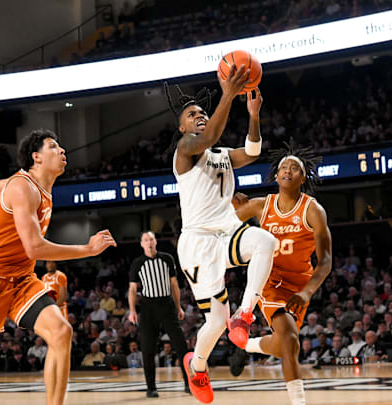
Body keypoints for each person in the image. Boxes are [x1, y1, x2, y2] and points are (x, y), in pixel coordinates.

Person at [0, 130, 117, 405]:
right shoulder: (21, 186)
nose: (62, 150)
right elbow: (35, 248)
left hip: (21, 282)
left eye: (61, 146)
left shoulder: (41, 188)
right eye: (53, 146)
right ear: (36, 157)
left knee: (61, 332)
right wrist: (86, 250)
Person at [165, 65, 278, 404]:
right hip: (198, 242)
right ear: (182, 126)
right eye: (192, 114)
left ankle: (245, 314)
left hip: (227, 230)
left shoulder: (221, 155)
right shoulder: (184, 151)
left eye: (201, 112)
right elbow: (209, 137)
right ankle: (196, 365)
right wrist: (228, 93)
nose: (199, 116)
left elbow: (254, 152)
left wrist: (253, 116)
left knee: (265, 241)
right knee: (215, 323)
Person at [230, 142, 332, 405]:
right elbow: (223, 222)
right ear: (276, 174)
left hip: (299, 285)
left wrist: (306, 291)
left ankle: (247, 345)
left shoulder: (313, 210)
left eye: (294, 168)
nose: (288, 169)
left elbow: (326, 260)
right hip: (270, 281)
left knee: (288, 344)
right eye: (284, 166)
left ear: (302, 177)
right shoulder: (261, 206)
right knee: (288, 338)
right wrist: (232, 202)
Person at [128, 231, 189, 397]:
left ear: (156, 241)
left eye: (151, 239)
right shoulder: (137, 263)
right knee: (148, 349)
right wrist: (132, 310)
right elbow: (133, 289)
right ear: (141, 243)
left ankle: (188, 384)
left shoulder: (167, 258)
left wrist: (178, 307)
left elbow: (174, 284)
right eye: (146, 240)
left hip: (167, 304)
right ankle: (151, 387)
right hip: (148, 307)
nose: (149, 242)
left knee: (181, 345)